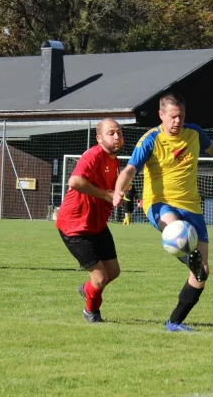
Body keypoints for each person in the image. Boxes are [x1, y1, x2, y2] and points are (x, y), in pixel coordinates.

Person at [113, 92, 213, 332]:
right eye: (173, 117)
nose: (177, 121)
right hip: (159, 204)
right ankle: (187, 256)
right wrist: (118, 190)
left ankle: (174, 322)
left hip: (192, 206)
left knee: (202, 273)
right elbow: (131, 168)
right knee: (175, 229)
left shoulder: (193, 133)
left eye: (181, 116)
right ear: (161, 115)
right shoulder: (150, 139)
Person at [56, 118, 124, 323]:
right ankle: (91, 313)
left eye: (119, 132)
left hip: (97, 225)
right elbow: (75, 181)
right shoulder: (93, 155)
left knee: (113, 272)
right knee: (100, 278)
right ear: (99, 137)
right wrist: (105, 195)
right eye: (111, 133)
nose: (117, 136)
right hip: (75, 226)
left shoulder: (114, 160)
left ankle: (87, 289)